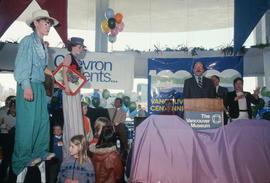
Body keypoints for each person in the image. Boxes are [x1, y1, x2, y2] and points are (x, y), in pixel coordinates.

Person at [12, 9, 57, 177]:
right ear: (36, 23)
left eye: (49, 24)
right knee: (27, 125)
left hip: (38, 86)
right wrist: (26, 85)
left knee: (42, 121)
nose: (48, 26)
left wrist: (53, 75)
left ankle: (40, 151)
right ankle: (22, 158)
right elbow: (22, 65)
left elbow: (40, 67)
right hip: (28, 84)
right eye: (45, 23)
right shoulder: (27, 41)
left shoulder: (42, 45)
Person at [62, 37, 86, 158]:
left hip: (75, 91)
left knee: (76, 118)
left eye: (82, 47)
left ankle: (78, 149)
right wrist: (66, 86)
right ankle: (71, 151)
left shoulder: (76, 59)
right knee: (71, 120)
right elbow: (64, 71)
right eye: (79, 47)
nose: (81, 49)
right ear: (72, 46)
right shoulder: (69, 57)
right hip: (69, 91)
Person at [108, 98, 129, 165]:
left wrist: (115, 123)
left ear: (120, 104)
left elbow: (122, 120)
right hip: (111, 127)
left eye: (117, 102)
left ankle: (126, 148)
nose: (116, 103)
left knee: (122, 126)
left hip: (119, 126)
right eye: (115, 102)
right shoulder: (111, 110)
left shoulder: (123, 112)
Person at [0, 98, 16, 182]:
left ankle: (12, 177)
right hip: (4, 135)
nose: (14, 109)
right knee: (6, 157)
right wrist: (5, 126)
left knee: (14, 157)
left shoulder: (22, 114)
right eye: (12, 107)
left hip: (15, 136)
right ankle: (2, 175)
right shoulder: (2, 112)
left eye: (15, 107)